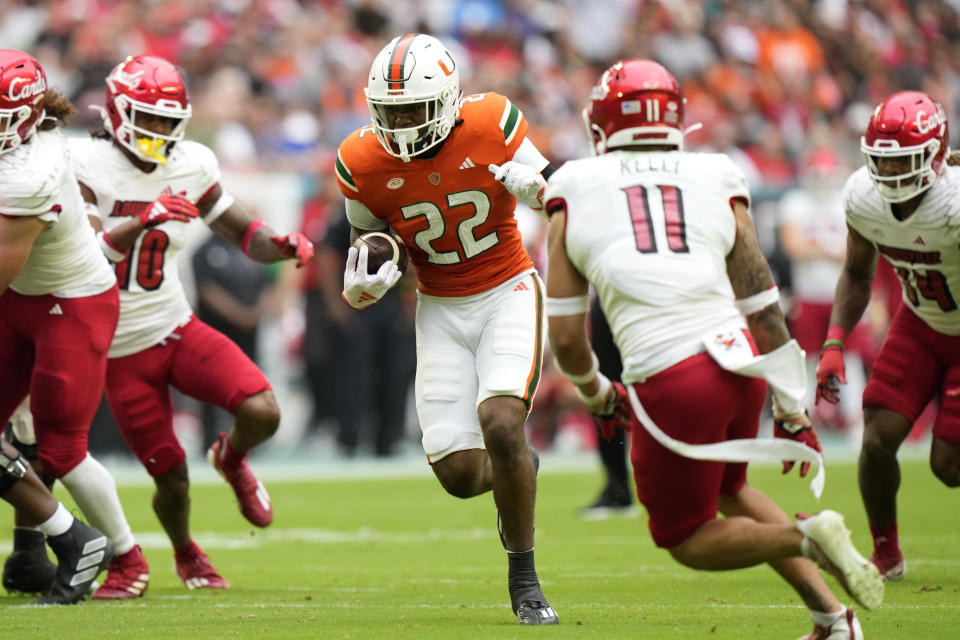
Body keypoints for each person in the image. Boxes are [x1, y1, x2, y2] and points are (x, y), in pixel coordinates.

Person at [544, 59, 883, 639]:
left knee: (686, 538)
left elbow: (570, 339)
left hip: (674, 376)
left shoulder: (572, 184)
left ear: (601, 124)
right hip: (742, 360)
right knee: (732, 490)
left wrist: (598, 393)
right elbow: (762, 304)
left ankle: (809, 534)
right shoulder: (717, 174)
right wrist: (791, 405)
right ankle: (835, 620)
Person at [67, 54, 313, 590]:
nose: (158, 130)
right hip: (117, 348)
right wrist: (142, 219)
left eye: (166, 119)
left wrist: (283, 246)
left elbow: (243, 233)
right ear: (116, 111)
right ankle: (186, 554)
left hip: (176, 325)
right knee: (171, 477)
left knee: (262, 410)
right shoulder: (82, 163)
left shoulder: (192, 163)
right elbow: (85, 258)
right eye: (147, 117)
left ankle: (232, 458)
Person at [336, 33, 557, 625]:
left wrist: (538, 193)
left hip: (508, 287)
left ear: (448, 98)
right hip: (439, 306)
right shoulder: (359, 159)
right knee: (460, 476)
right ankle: (519, 468)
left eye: (413, 108)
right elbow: (370, 232)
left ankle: (525, 579)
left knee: (502, 420)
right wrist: (375, 263)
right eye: (391, 110)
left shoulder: (492, 121)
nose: (402, 121)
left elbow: (553, 193)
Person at [0, 48, 150, 603]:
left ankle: (124, 557)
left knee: (62, 447)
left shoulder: (27, 173)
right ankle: (36, 551)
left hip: (70, 303)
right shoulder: (25, 144)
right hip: (23, 298)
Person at [815, 90, 960, 583]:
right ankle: (886, 556)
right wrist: (834, 341)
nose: (892, 175)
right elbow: (856, 274)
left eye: (905, 162)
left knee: (948, 464)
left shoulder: (954, 201)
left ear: (936, 155)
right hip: (920, 322)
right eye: (883, 162)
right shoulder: (862, 195)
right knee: (876, 439)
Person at [579, 301, 636, 519]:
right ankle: (617, 488)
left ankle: (618, 489)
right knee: (606, 390)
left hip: (637, 297)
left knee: (606, 390)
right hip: (613, 297)